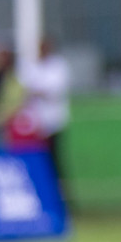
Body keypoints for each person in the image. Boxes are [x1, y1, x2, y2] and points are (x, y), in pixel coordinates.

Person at [17, 37, 72, 196]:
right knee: (35, 162)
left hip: (53, 122)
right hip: (32, 124)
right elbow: (24, 89)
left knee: (54, 163)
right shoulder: (31, 66)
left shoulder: (58, 66)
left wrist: (36, 91)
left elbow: (52, 90)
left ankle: (58, 197)